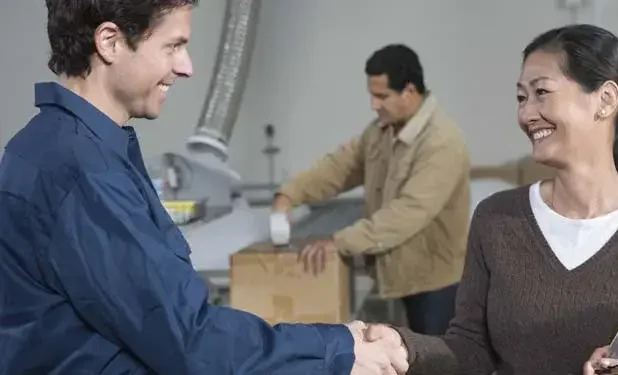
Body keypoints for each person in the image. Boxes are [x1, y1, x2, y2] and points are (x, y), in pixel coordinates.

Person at [0, 1, 406, 374]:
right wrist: (339, 350)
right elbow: (190, 340)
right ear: (109, 42)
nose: (186, 66)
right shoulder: (83, 171)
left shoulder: (49, 146)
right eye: (172, 46)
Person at [362, 24, 618, 374]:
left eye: (541, 93)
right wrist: (406, 347)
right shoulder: (497, 219)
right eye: (521, 97)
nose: (527, 113)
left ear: (606, 99)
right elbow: (470, 348)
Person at [272, 44, 471, 335]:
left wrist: (339, 242)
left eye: (381, 96)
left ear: (410, 91)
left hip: (436, 285)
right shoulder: (381, 131)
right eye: (372, 95)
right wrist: (288, 194)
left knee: (437, 362)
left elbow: (407, 213)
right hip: (397, 276)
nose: (374, 105)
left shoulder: (441, 142)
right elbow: (339, 167)